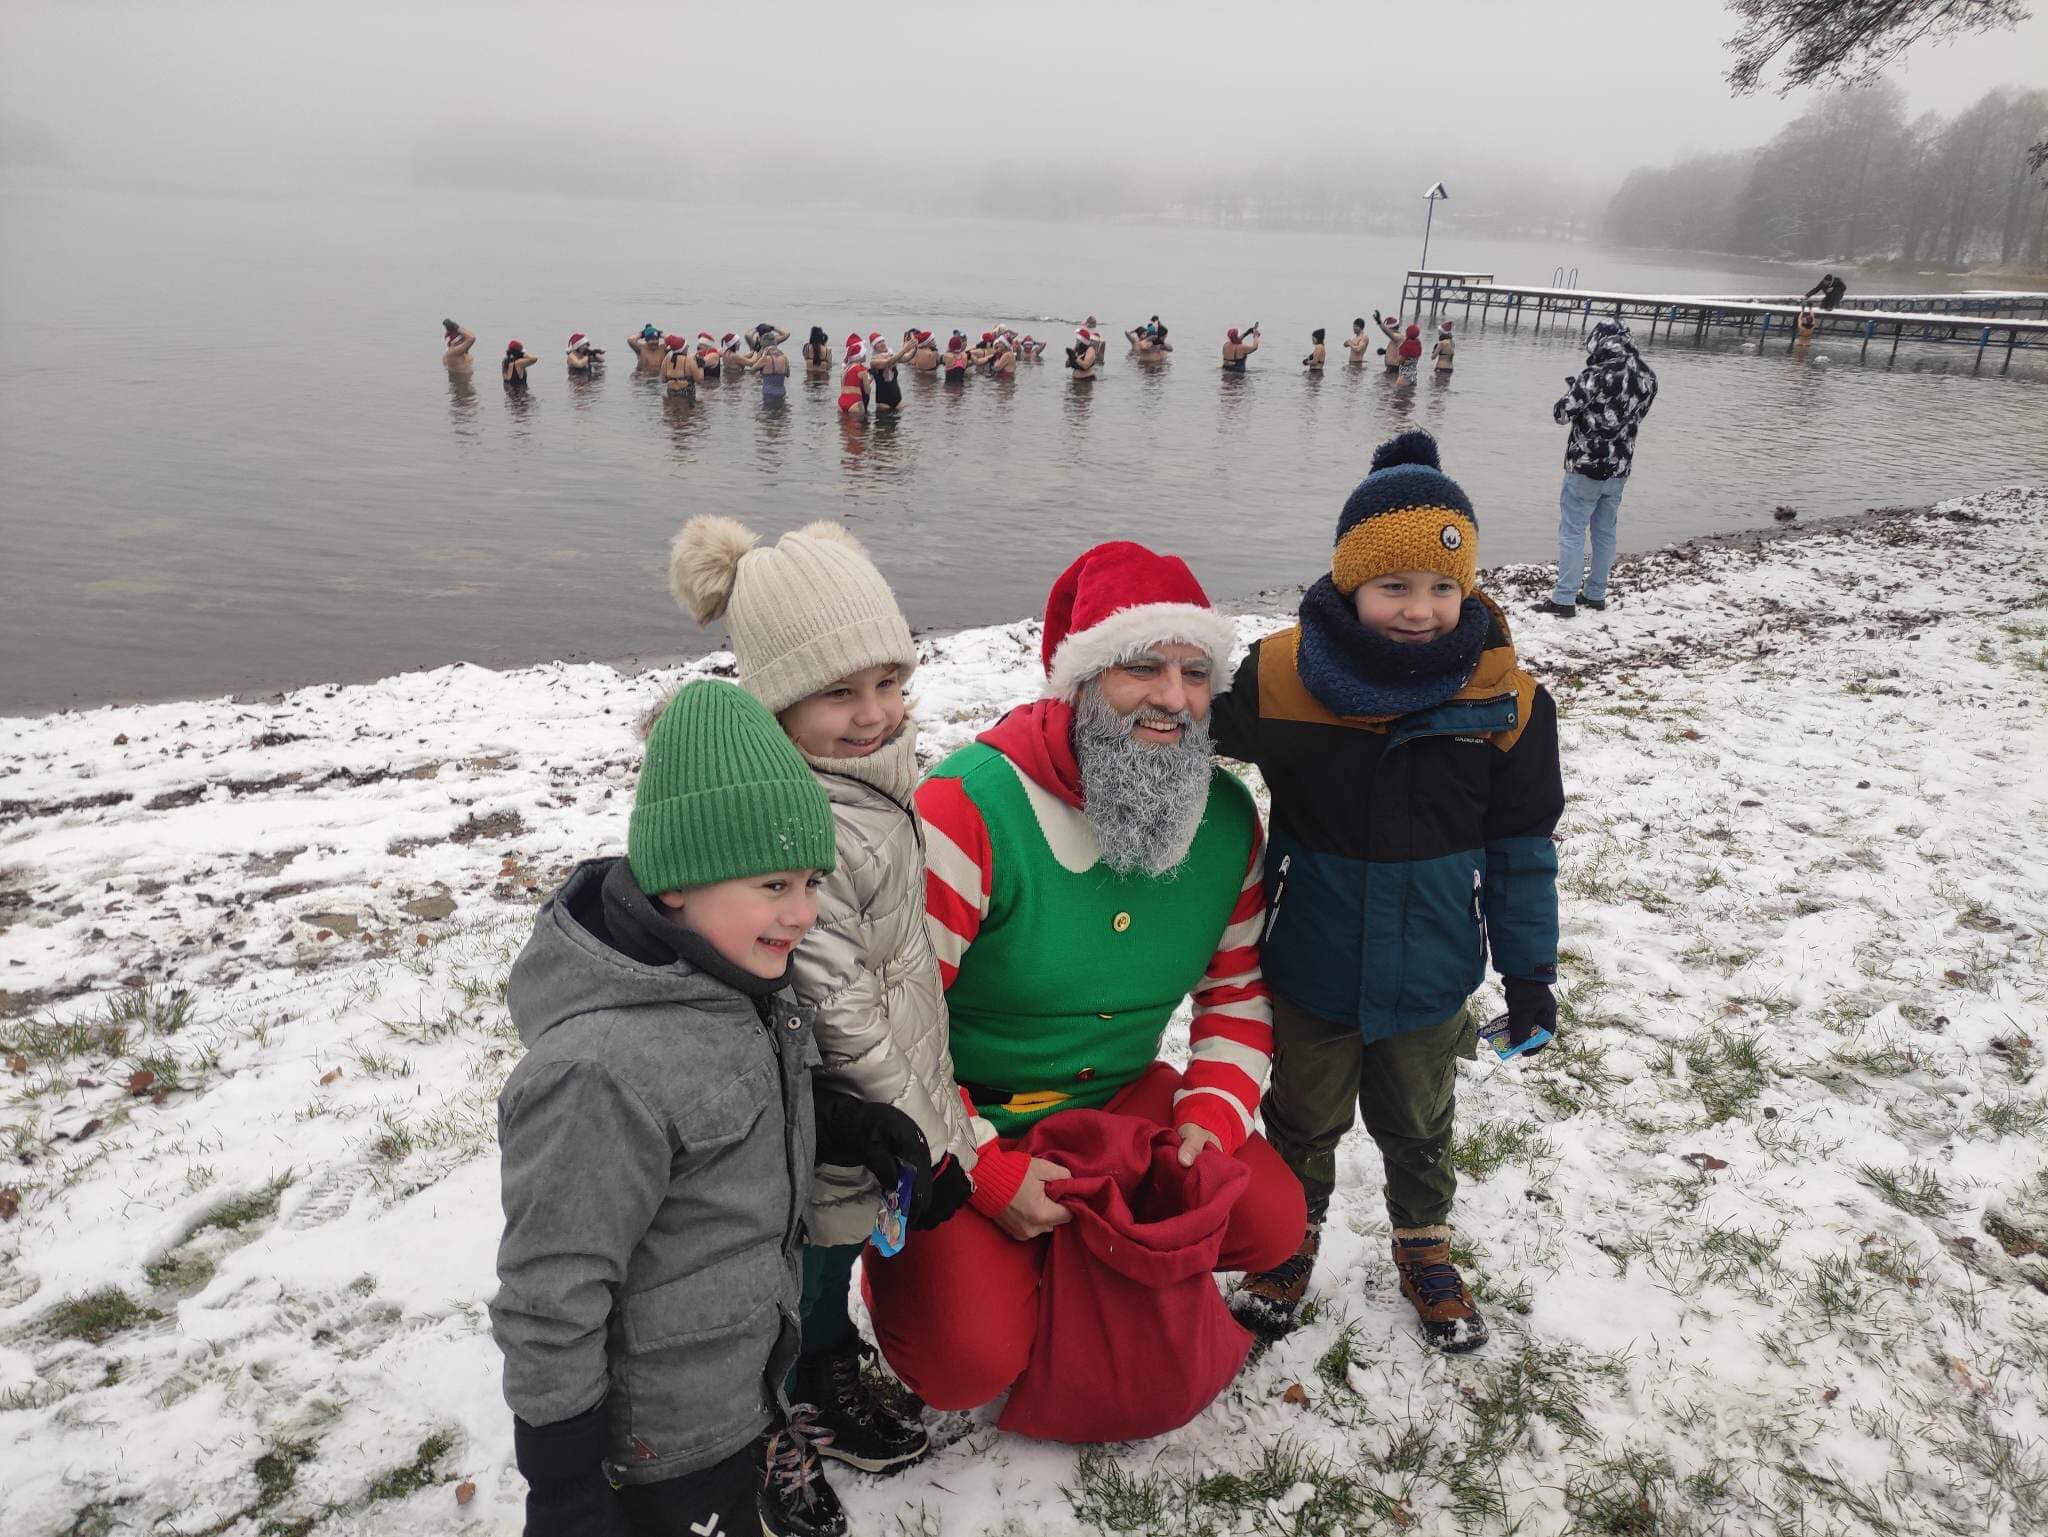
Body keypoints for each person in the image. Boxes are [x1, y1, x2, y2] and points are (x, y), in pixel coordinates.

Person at [864, 542, 1306, 1416]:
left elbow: (1237, 993)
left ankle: (1065, 1251)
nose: (1173, 697)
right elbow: (888, 1031)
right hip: (965, 1117)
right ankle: (945, 1265)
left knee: (1270, 1217)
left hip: (1118, 1104)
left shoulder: (1223, 819)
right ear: (1079, 681)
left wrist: (1211, 1120)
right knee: (963, 1365)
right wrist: (989, 1176)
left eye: (1194, 672)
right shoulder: (967, 809)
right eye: (1140, 666)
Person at [490, 678, 938, 1537]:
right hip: (659, 1436)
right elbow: (550, 1294)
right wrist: (565, 1490)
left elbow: (739, 1116)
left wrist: (849, 1127)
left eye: (811, 880)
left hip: (742, 1386)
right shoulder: (597, 1074)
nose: (803, 912)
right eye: (773, 884)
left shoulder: (739, 982)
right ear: (676, 883)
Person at [1211, 430, 1563, 1354]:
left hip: (1431, 965)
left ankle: (1424, 1245)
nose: (1420, 609)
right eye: (1394, 585)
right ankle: (1287, 1241)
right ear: (1349, 582)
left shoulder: (1506, 699)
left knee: (1419, 1123)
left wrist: (1530, 973)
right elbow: (1182, 727)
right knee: (1301, 1119)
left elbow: (1523, 848)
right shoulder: (1281, 677)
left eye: (1443, 586)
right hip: (1312, 959)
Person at [670, 520, 975, 1484]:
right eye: (839, 693)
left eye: (888, 681)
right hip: (832, 1095)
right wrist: (923, 1131)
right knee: (809, 1249)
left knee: (840, 1243)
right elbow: (838, 1001)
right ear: (777, 700)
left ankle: (823, 1356)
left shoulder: (866, 780)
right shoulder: (806, 822)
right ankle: (787, 1393)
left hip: (873, 1080)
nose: (873, 713)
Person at [1538, 319, 1659, 618]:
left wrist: (1572, 391)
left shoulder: (1595, 375)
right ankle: (1596, 594)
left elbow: (1561, 414)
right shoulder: (1648, 376)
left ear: (1598, 341)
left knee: (1572, 532)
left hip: (1585, 466)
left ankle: (1564, 598)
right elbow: (1636, 416)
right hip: (1619, 467)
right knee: (1605, 533)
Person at [744, 331, 792, 401]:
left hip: (768, 392)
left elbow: (752, 371)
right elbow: (787, 374)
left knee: (767, 408)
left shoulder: (765, 359)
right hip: (781, 391)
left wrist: (760, 355)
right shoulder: (784, 357)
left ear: (763, 345)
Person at [867, 332, 904, 412]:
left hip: (898, 398)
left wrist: (915, 347)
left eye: (883, 341)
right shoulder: (874, 361)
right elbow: (888, 362)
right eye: (879, 342)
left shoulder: (892, 355)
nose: (882, 344)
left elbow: (906, 358)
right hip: (883, 401)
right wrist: (905, 349)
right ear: (874, 347)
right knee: (884, 419)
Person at [661, 332, 702, 399]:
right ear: (683, 349)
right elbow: (699, 380)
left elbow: (663, 380)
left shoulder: (666, 359)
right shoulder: (689, 360)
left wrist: (673, 377)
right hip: (686, 391)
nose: (688, 347)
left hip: (671, 391)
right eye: (687, 346)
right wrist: (701, 366)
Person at [837, 335, 870, 415]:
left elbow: (843, 386)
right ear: (860, 355)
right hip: (854, 401)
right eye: (864, 353)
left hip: (841, 400)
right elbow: (867, 390)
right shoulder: (862, 369)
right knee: (859, 422)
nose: (865, 355)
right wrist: (871, 377)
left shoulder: (845, 369)